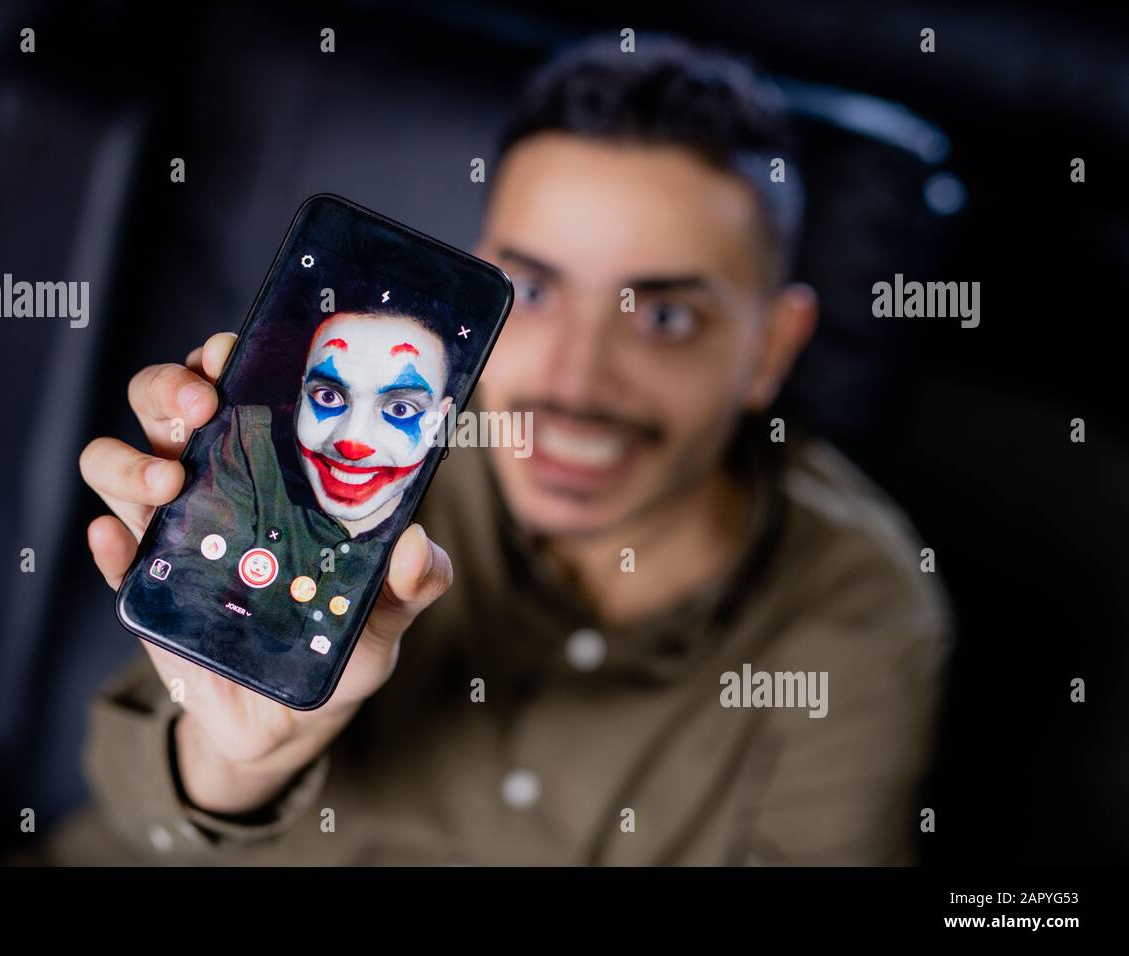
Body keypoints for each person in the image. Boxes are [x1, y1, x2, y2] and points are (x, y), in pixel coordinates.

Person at [49, 35, 950, 865]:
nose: (576, 386)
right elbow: (132, 815)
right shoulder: (356, 457)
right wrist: (242, 758)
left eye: (667, 317)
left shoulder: (860, 610)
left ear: (773, 350)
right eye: (534, 289)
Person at [120, 310, 454, 663]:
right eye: (328, 396)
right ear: (301, 392)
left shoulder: (454, 527)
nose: (352, 442)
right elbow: (191, 583)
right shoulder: (252, 444)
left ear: (441, 421)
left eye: (401, 409)